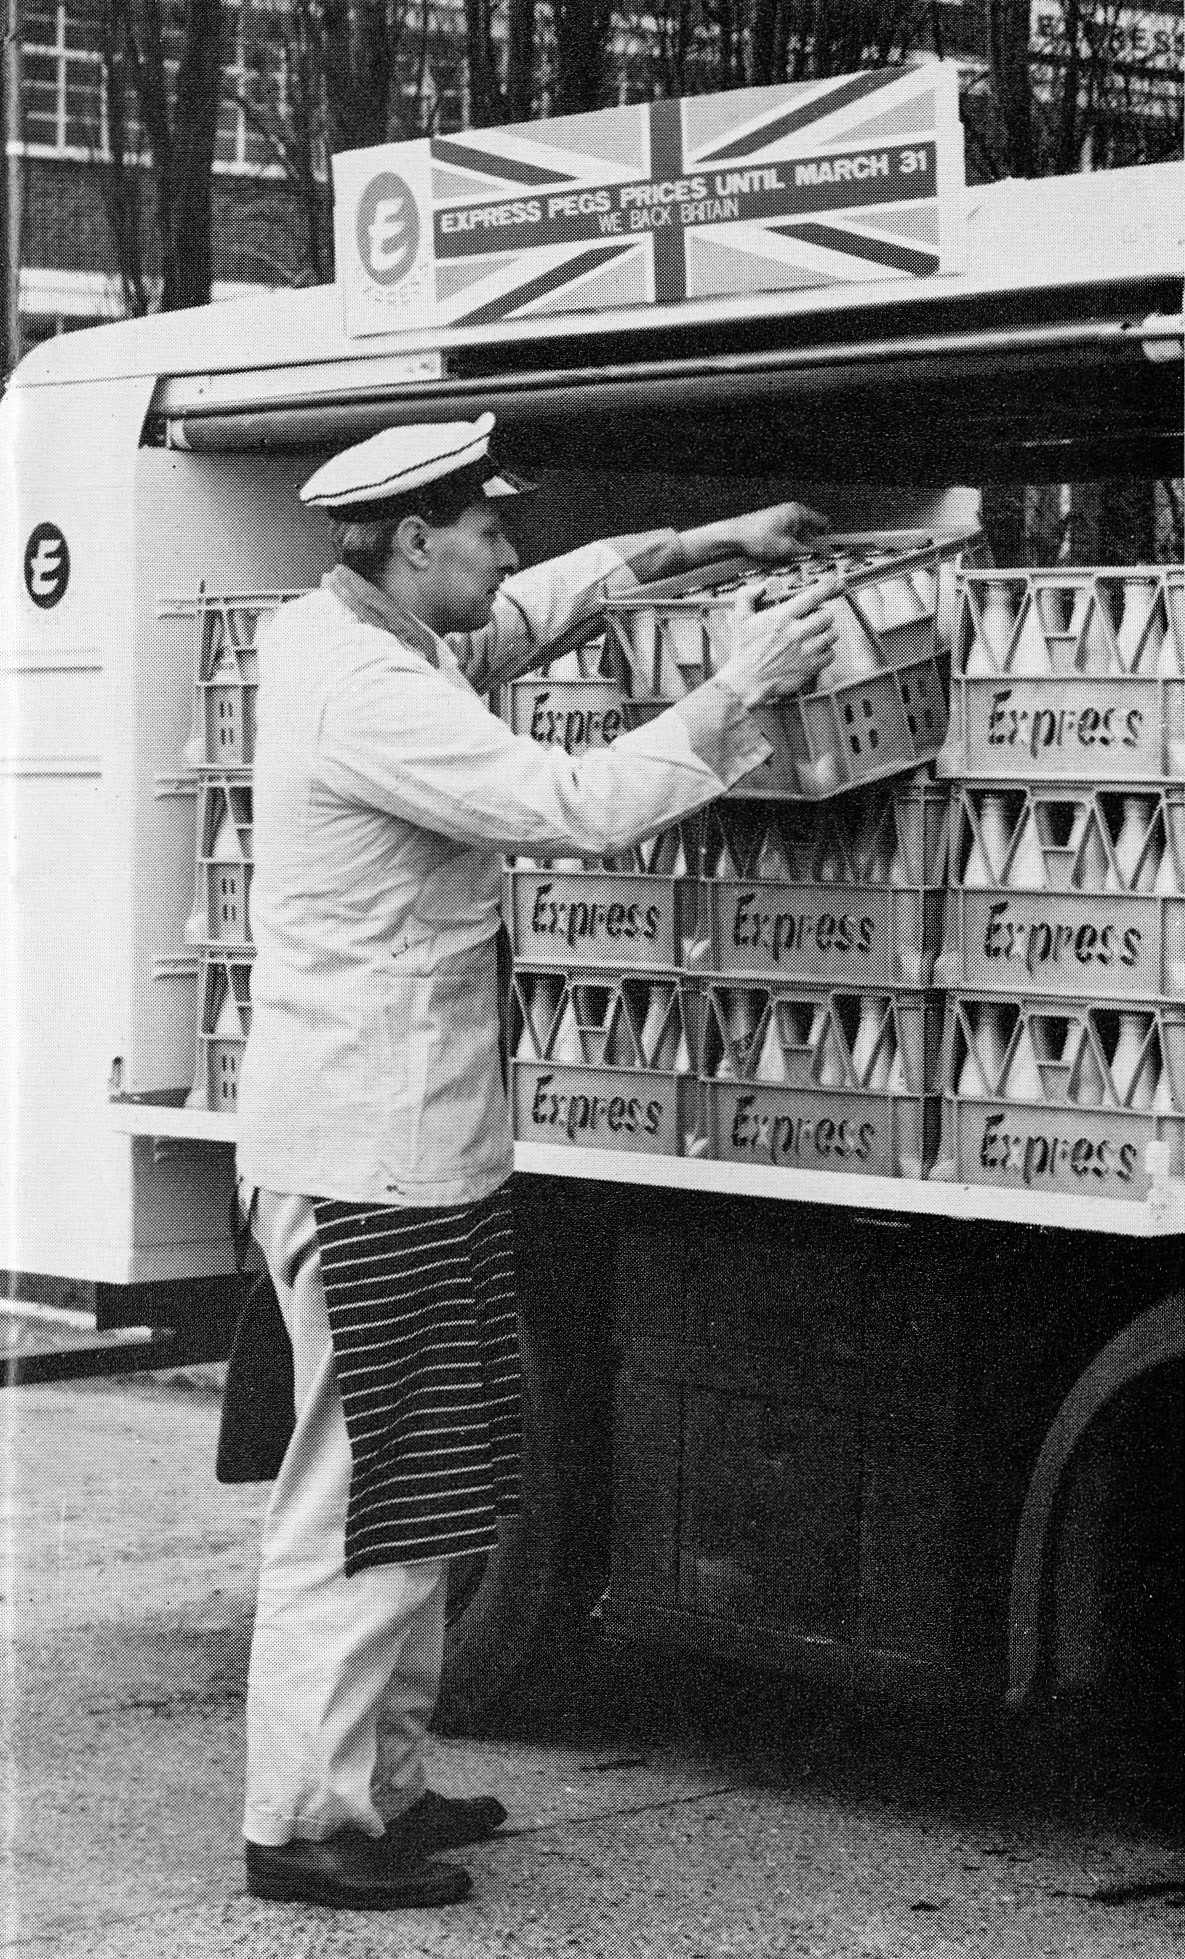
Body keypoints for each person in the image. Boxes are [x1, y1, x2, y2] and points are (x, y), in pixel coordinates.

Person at [235, 412, 839, 1910]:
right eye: (481, 526)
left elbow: (529, 610)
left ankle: (382, 1782)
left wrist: (702, 544)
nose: (503, 547)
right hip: (368, 1151)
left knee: (429, 1476)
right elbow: (571, 808)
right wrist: (734, 691)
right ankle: (303, 1819)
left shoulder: (380, 636)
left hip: (412, 1141)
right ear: (406, 540)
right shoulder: (371, 696)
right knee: (367, 1486)